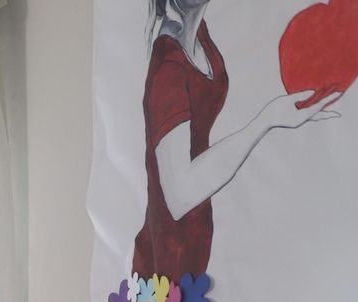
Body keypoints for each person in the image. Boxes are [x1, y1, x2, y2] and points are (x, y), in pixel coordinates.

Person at [132, 0, 339, 279]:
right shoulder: (168, 65)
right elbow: (180, 194)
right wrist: (265, 121)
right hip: (169, 258)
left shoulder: (198, 35)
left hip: (194, 245)